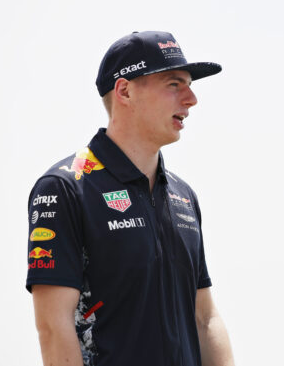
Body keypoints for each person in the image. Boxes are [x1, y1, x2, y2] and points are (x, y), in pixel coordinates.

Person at [26, 31, 234, 366]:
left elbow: (204, 318)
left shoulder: (183, 197)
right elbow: (53, 326)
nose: (191, 98)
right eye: (174, 84)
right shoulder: (65, 188)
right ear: (125, 91)